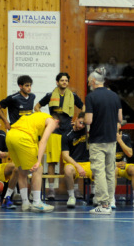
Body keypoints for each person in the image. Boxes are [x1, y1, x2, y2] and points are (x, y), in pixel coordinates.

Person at [34, 72, 85, 200]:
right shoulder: (50, 95)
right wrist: (46, 121)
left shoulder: (72, 96)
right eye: (62, 80)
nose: (64, 82)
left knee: (73, 160)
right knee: (52, 162)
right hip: (54, 132)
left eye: (66, 81)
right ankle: (51, 190)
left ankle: (76, 190)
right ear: (57, 82)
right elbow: (37, 107)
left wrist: (79, 119)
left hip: (68, 131)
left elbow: (84, 108)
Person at [85, 67, 123, 215]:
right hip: (111, 139)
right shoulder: (114, 96)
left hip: (97, 139)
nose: (89, 84)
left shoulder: (91, 97)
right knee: (110, 171)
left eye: (89, 82)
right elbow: (120, 118)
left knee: (99, 171)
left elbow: (88, 119)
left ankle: (103, 204)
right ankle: (111, 201)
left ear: (94, 81)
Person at [5, 112, 60, 213]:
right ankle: (37, 202)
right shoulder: (51, 121)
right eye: (56, 128)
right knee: (38, 168)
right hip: (23, 138)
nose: (54, 130)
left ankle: (25, 203)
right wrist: (38, 161)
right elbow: (43, 141)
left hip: (10, 136)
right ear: (57, 121)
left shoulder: (37, 116)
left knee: (21, 170)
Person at [61, 112, 94, 208]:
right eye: (80, 122)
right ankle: (71, 197)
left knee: (99, 168)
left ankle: (95, 195)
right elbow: (65, 156)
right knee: (67, 170)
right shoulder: (66, 135)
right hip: (74, 163)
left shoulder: (88, 132)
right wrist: (78, 166)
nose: (81, 126)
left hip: (87, 163)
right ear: (75, 119)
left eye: (84, 124)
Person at [112, 123, 134, 210]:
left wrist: (119, 141)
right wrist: (115, 164)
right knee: (114, 170)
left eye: (116, 122)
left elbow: (130, 154)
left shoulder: (125, 137)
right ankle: (111, 199)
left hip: (124, 165)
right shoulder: (105, 136)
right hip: (111, 165)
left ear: (120, 126)